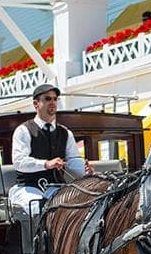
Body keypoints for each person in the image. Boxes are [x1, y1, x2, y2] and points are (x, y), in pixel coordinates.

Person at [9, 83, 93, 222]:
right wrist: (46, 164)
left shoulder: (65, 133)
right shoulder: (23, 130)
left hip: (55, 187)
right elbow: (19, 162)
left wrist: (84, 170)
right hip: (28, 188)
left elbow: (72, 160)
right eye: (47, 99)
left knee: (78, 205)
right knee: (40, 207)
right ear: (36, 104)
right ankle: (38, 244)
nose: (53, 102)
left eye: (55, 99)